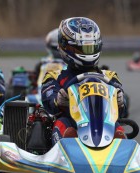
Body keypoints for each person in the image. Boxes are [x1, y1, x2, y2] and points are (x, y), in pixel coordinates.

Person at [41, 17, 127, 145]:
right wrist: (57, 101)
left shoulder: (109, 76)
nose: (88, 53)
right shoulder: (54, 76)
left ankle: (121, 149)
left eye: (92, 48)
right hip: (72, 125)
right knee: (62, 123)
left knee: (116, 126)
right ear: (65, 47)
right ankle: (67, 147)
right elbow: (48, 103)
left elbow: (123, 111)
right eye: (82, 49)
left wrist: (121, 102)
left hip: (104, 126)